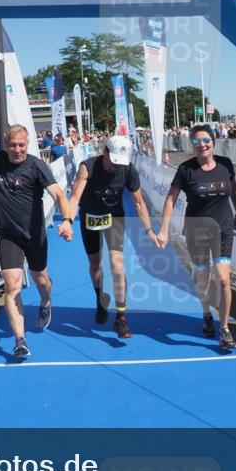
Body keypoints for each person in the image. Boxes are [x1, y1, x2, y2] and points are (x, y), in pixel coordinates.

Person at [0, 122, 74, 358]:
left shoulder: (36, 166)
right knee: (12, 286)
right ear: (5, 145)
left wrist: (67, 219)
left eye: (21, 145)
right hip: (8, 235)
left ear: (28, 144)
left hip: (34, 235)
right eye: (12, 145)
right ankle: (20, 340)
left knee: (41, 280)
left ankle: (46, 301)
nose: (17, 149)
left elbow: (59, 194)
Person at [156, 124, 236, 350]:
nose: (202, 145)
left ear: (214, 142)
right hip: (197, 231)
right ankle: (206, 313)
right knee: (203, 281)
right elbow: (170, 200)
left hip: (222, 228)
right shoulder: (186, 170)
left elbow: (233, 189)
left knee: (223, 279)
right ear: (192, 144)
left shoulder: (226, 164)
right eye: (197, 141)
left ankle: (224, 329)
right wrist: (164, 230)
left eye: (206, 140)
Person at [67, 135, 158, 338]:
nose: (116, 166)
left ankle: (121, 317)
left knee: (117, 266)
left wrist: (149, 230)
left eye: (120, 162)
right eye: (113, 160)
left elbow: (139, 203)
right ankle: (100, 297)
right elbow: (74, 198)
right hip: (89, 216)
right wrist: (67, 221)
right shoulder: (87, 167)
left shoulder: (127, 169)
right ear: (105, 153)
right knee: (95, 266)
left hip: (113, 217)